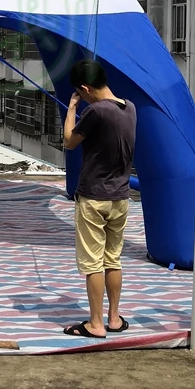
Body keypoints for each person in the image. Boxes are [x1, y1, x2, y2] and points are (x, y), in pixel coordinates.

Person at [61, 59, 137, 339]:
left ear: (85, 88)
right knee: (112, 260)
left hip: (94, 197)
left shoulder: (94, 111)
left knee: (93, 263)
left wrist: (71, 109)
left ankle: (95, 323)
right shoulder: (130, 108)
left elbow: (69, 141)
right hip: (121, 196)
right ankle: (114, 317)